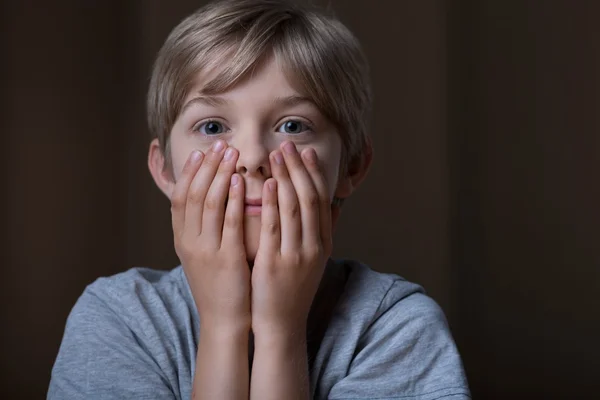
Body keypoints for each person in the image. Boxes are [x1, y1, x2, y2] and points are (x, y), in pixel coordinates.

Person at [48, 0, 470, 399]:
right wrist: (223, 325)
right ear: (165, 170)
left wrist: (279, 331)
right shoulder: (119, 320)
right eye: (212, 127)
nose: (251, 158)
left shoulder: (396, 327)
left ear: (351, 166)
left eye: (292, 125)